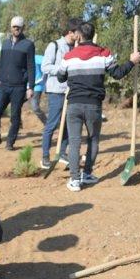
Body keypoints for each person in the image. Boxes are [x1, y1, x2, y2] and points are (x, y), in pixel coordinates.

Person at [56, 21, 140, 191]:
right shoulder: (104, 54)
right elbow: (117, 73)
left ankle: (75, 179)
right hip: (94, 105)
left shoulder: (69, 56)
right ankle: (87, 174)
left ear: (79, 36)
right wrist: (132, 62)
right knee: (93, 140)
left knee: (74, 142)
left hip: (74, 104)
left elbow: (60, 77)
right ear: (93, 34)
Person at [0, 16, 36, 150]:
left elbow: (31, 67)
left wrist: (30, 87)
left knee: (15, 116)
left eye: (19, 27)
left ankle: (10, 142)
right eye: (14, 26)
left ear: (23, 28)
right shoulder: (5, 44)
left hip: (19, 87)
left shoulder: (28, 45)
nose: (16, 29)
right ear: (11, 27)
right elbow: (1, 65)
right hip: (4, 86)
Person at [40, 18, 80, 170]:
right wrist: (63, 69)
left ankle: (62, 152)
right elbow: (45, 67)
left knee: (68, 124)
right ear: (70, 32)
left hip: (70, 91)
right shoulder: (55, 45)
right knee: (52, 124)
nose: (79, 35)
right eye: (77, 32)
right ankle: (45, 156)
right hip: (56, 91)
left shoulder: (76, 47)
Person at [29, 54, 47, 125]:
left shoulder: (37, 58)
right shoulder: (20, 58)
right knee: (16, 105)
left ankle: (47, 124)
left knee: (35, 107)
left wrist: (43, 78)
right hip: (23, 87)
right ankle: (17, 124)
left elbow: (48, 63)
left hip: (36, 87)